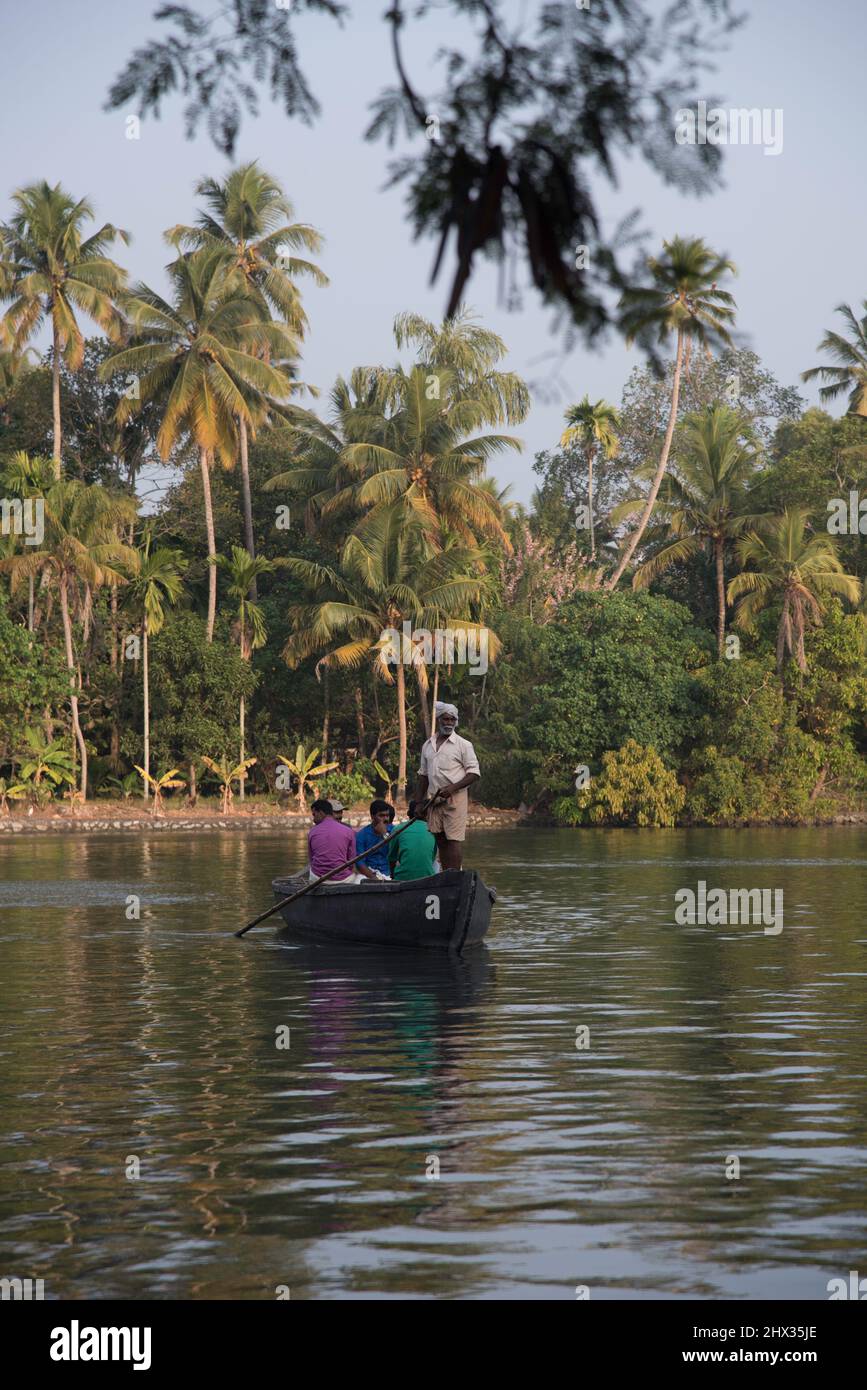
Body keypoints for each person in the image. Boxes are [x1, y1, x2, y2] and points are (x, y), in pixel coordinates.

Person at [415, 701, 480, 870]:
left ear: (456, 721)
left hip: (454, 799)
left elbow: (474, 773)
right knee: (440, 838)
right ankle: (446, 874)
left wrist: (452, 788)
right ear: (439, 720)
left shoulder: (463, 745)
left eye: (452, 719)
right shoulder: (428, 745)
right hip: (434, 800)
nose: (449, 723)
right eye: (445, 719)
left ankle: (455, 876)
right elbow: (423, 775)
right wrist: (418, 803)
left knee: (453, 839)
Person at [307, 799, 361, 882]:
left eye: (341, 812)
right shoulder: (348, 831)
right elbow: (351, 863)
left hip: (317, 878)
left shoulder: (312, 831)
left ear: (321, 813)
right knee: (360, 878)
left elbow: (311, 860)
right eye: (337, 812)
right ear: (330, 812)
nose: (340, 815)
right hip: (342, 879)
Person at [388, 801, 437, 882]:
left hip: (402, 878)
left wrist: (392, 876)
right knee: (436, 864)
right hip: (428, 878)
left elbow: (391, 858)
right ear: (427, 815)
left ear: (408, 813)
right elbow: (432, 858)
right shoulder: (433, 829)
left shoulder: (398, 829)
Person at [354, 799, 395, 878]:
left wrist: (384, 834)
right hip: (369, 874)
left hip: (390, 873)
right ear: (372, 816)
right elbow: (360, 863)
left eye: (387, 815)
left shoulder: (394, 831)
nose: (386, 819)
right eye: (381, 816)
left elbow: (396, 854)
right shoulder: (362, 835)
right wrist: (374, 878)